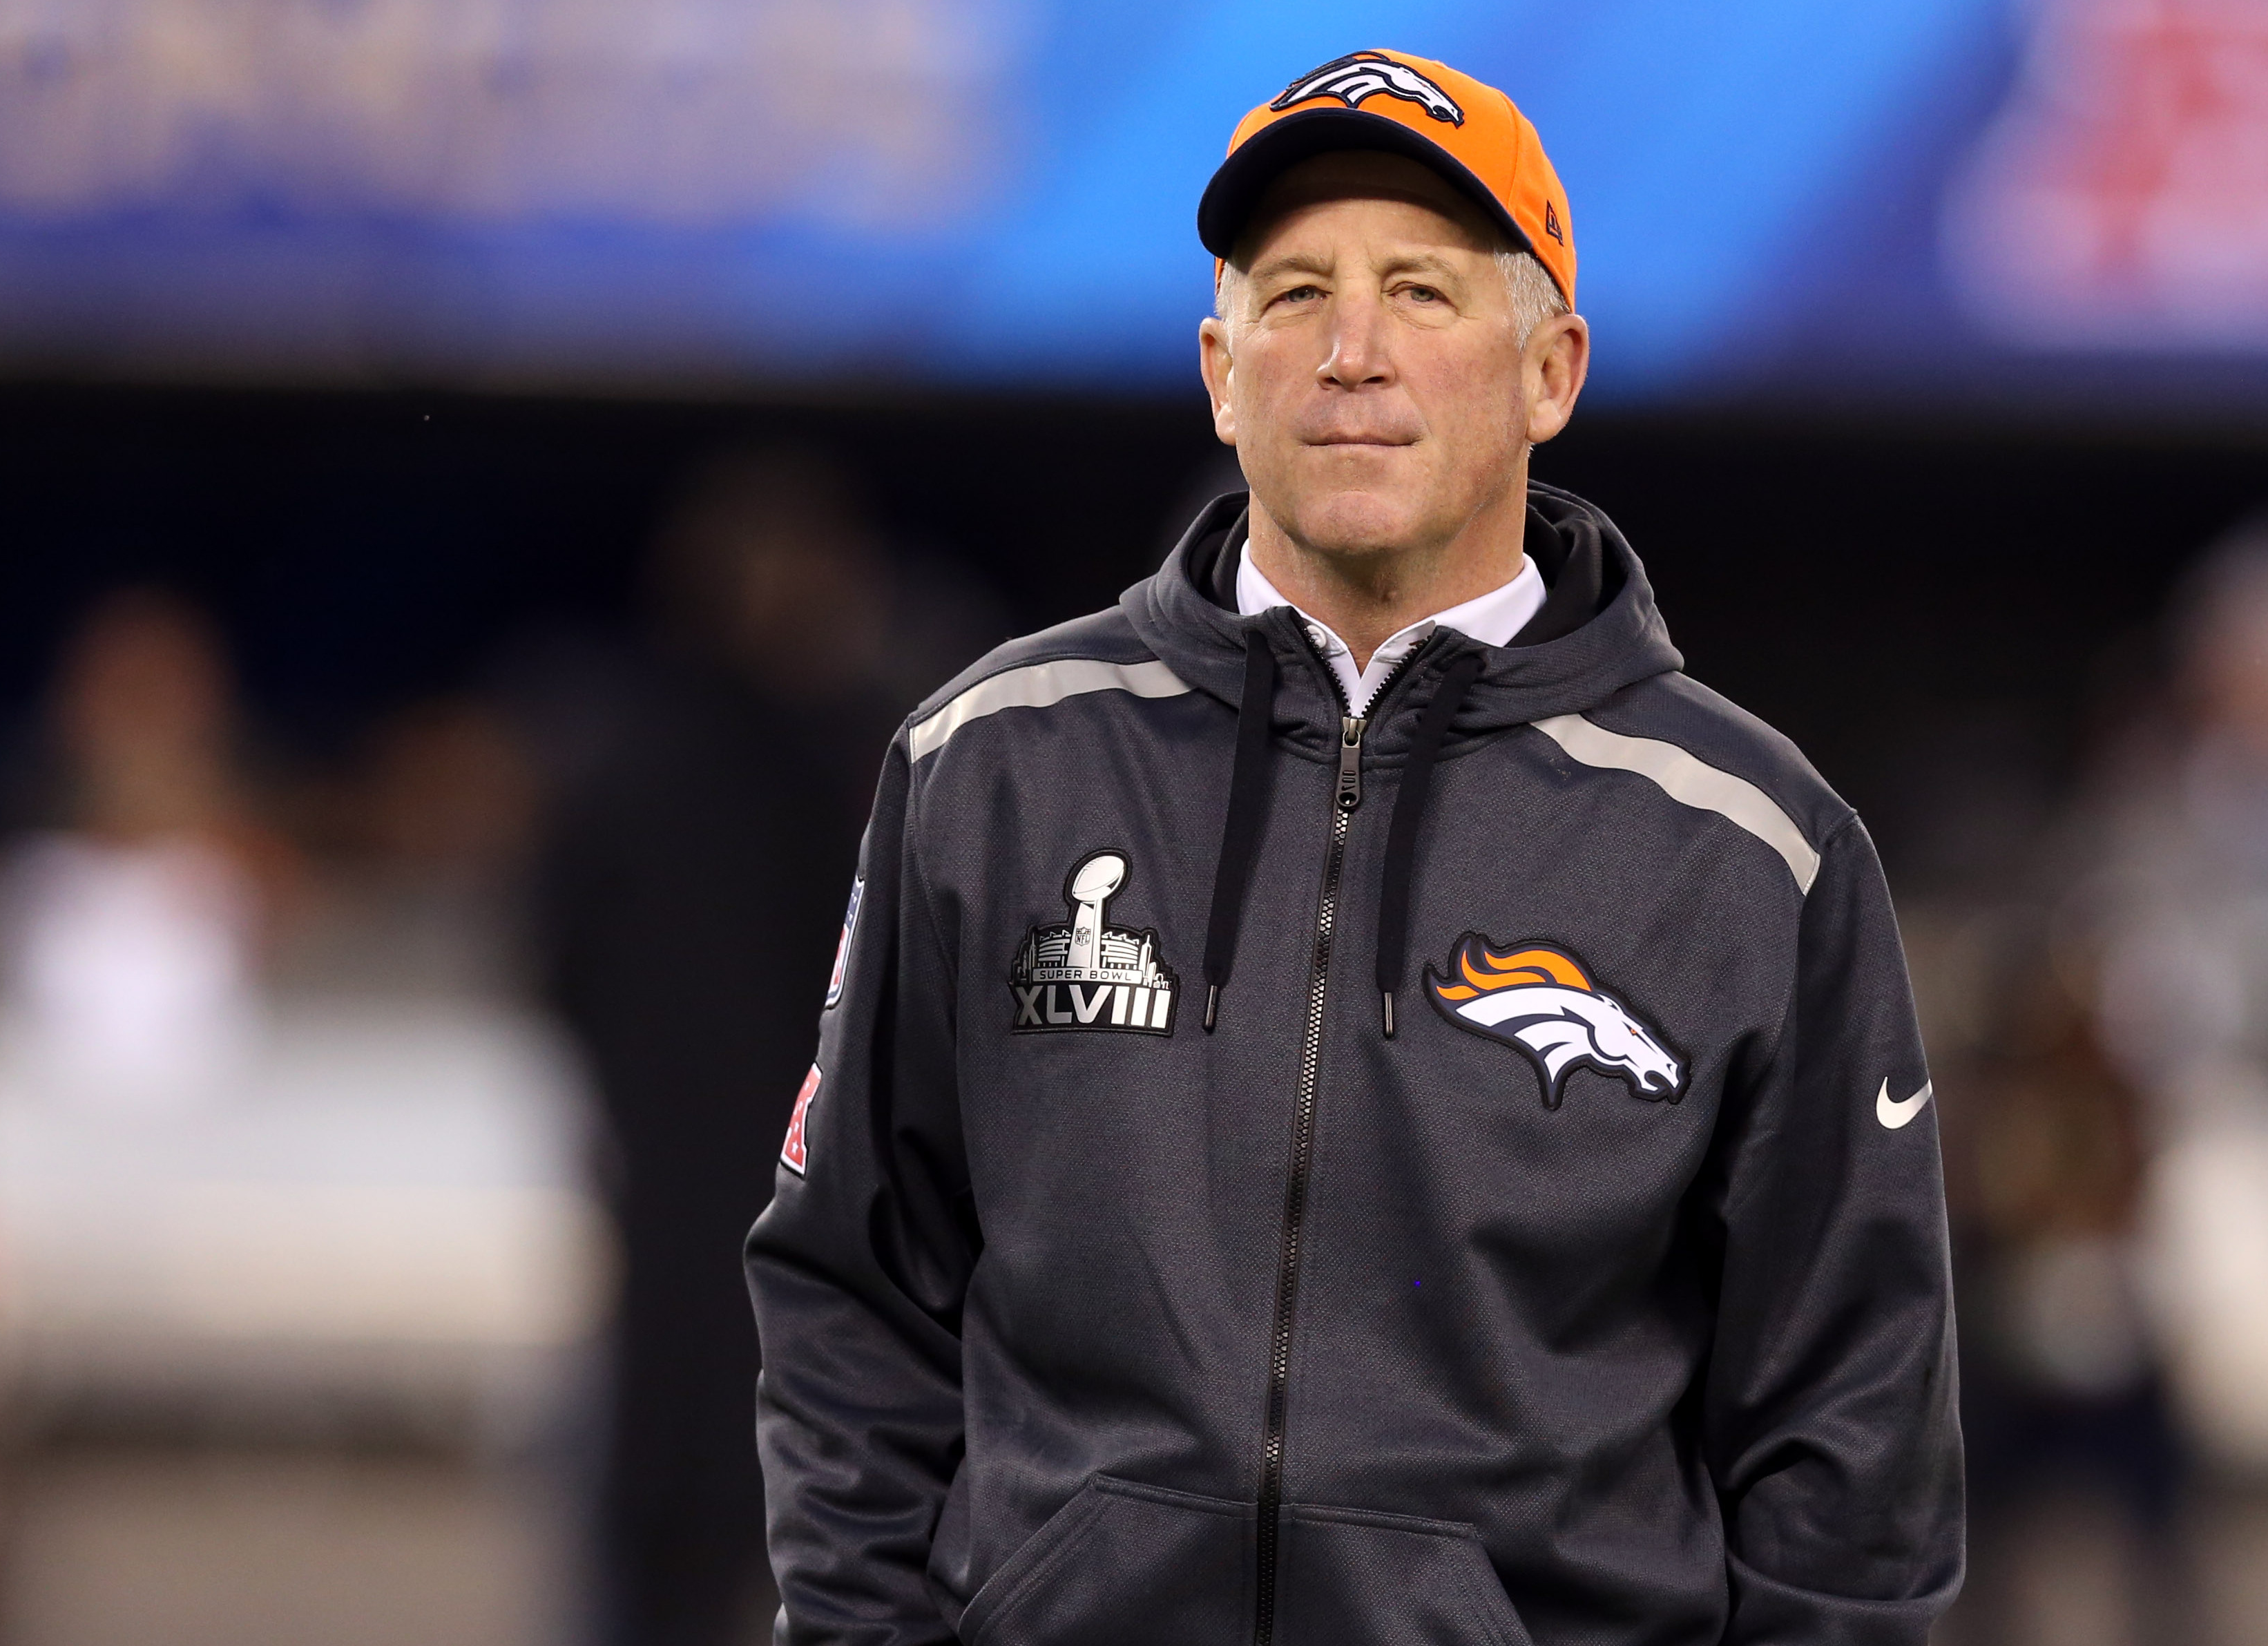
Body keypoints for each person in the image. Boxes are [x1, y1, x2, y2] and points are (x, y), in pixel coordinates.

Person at [749, 50, 1963, 1645]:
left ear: (1552, 371)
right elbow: (854, 1303)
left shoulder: (1752, 849)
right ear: (1218, 365)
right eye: (1295, 291)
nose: (1352, 352)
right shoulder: (993, 762)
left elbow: (1849, 1459)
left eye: (1424, 292)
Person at [531, 448, 901, 1646]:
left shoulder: (615, 751)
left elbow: (556, 963)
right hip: (778, 1194)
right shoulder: (835, 768)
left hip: (672, 1187)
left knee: (659, 1521)